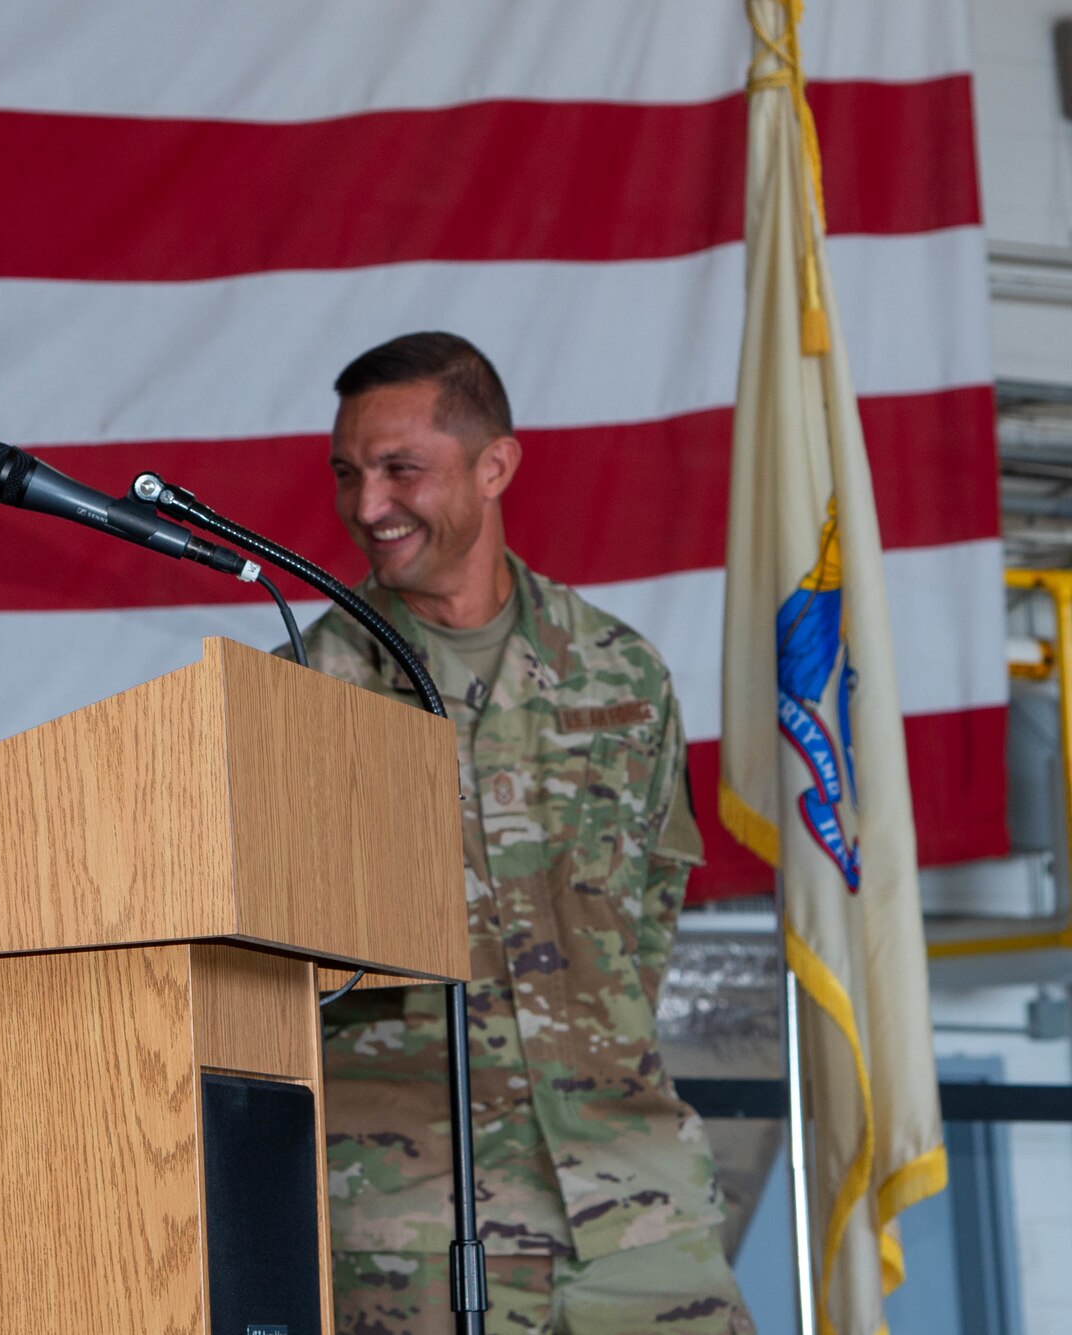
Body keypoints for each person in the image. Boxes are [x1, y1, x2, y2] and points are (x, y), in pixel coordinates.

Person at [298, 333, 753, 1334]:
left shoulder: (617, 672)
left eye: (398, 469)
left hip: (636, 1206)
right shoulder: (307, 690)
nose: (365, 505)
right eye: (347, 473)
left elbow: (645, 924)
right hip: (415, 1221)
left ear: (493, 465)